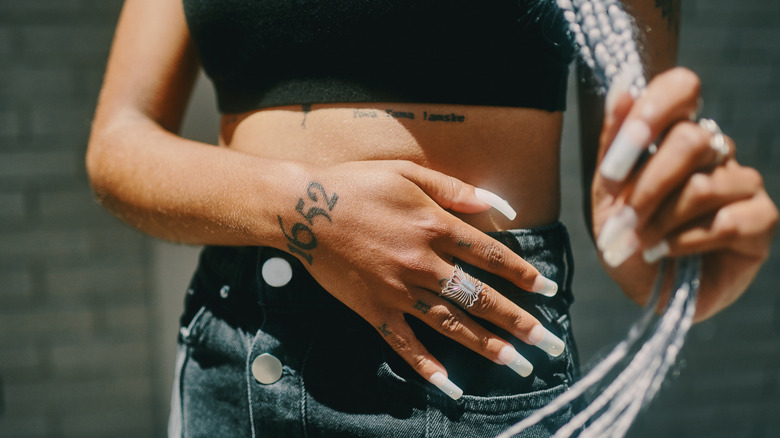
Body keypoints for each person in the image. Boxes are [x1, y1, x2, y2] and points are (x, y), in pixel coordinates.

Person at [86, 0, 777, 436]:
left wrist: (680, 252)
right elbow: (117, 142)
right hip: (245, 360)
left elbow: (627, 203)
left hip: (485, 352)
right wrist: (306, 211)